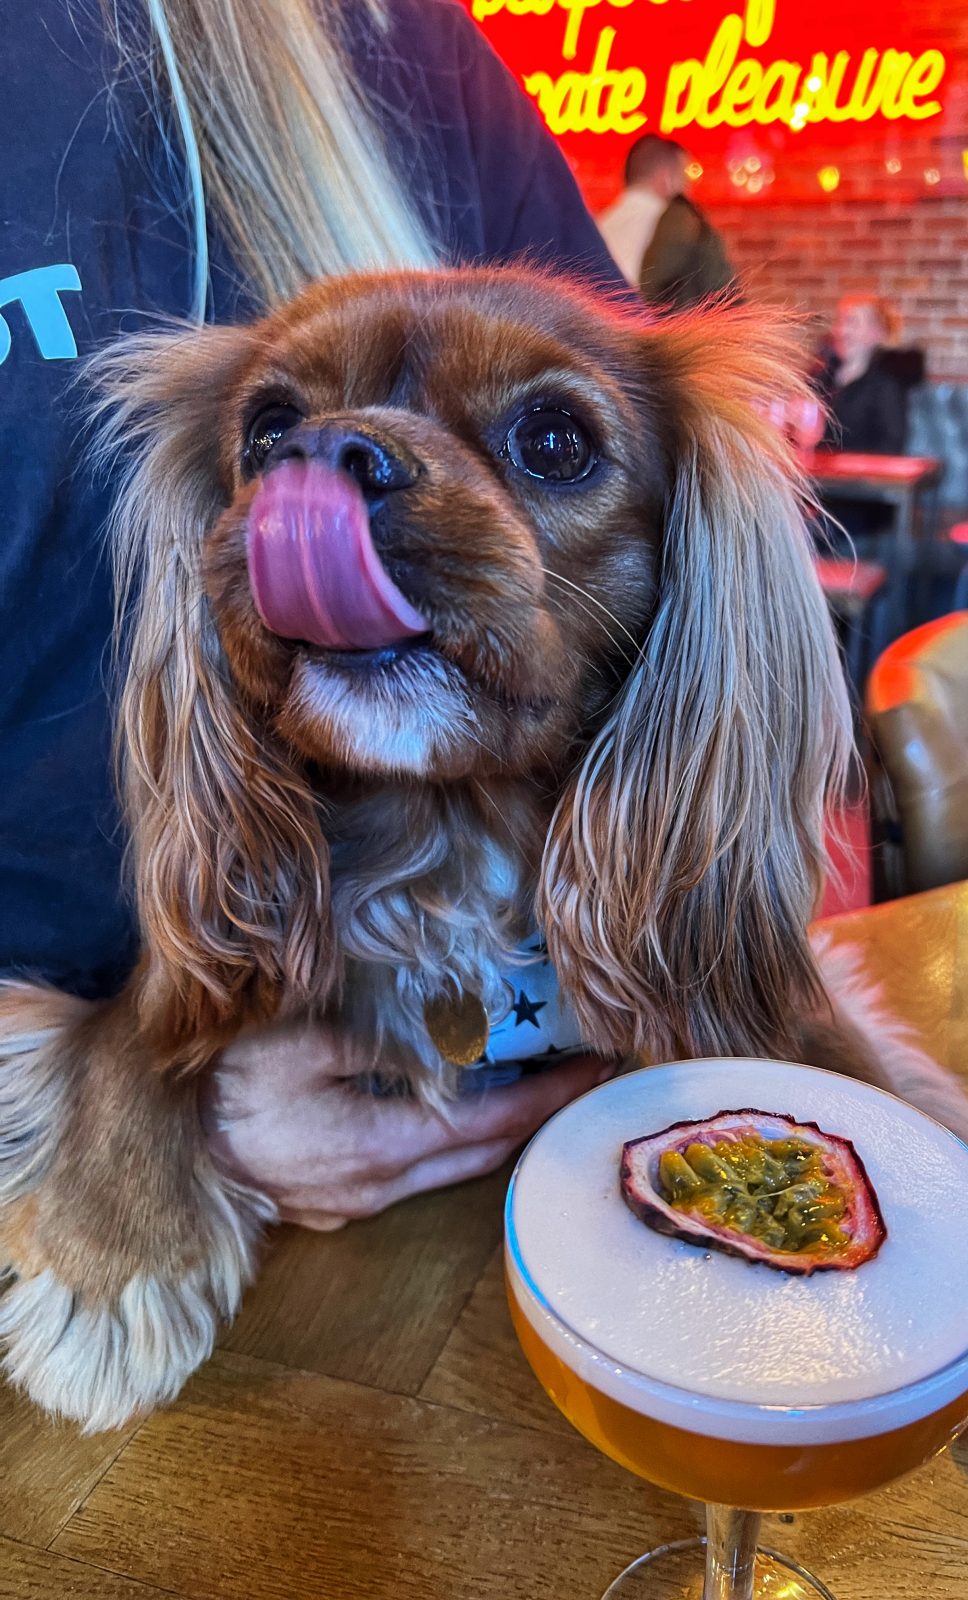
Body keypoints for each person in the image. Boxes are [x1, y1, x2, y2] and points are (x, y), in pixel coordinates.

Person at [0, 0, 622, 1229]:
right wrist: (125, 1109)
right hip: (92, 1195)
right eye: (274, 439)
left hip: (530, 1112)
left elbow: (646, 579)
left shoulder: (399, 38)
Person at [597, 133, 737, 311]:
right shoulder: (679, 225)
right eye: (684, 178)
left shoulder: (600, 225)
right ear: (667, 179)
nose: (688, 189)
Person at [817, 295, 909, 455]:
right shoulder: (821, 376)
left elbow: (891, 446)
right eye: (840, 321)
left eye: (852, 322)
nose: (840, 331)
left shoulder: (886, 384)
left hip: (858, 478)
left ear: (877, 333)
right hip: (814, 475)